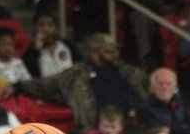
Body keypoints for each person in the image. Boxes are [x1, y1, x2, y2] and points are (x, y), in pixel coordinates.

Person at [16, 33, 149, 129]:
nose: (115, 55)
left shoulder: (129, 72)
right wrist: (19, 86)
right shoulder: (77, 74)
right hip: (96, 131)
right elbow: (46, 85)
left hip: (134, 129)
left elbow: (152, 85)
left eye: (116, 51)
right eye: (109, 52)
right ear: (94, 54)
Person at [22, 11, 81, 78]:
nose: (45, 29)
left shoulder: (67, 45)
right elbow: (31, 75)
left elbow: (80, 65)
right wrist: (36, 50)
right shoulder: (30, 53)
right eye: (41, 25)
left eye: (50, 25)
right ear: (35, 27)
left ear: (55, 27)